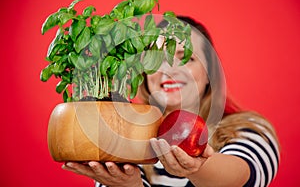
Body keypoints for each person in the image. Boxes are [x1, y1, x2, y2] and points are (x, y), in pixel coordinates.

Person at [62, 16, 280, 187]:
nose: (171, 70)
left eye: (187, 58)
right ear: (144, 73)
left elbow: (242, 177)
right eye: (158, 58)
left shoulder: (247, 128)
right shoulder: (122, 135)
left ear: (210, 72)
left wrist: (196, 168)